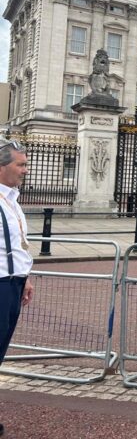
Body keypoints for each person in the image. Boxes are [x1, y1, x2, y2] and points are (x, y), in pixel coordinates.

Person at [0, 139, 35, 439]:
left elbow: (17, 244)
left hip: (13, 284)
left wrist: (25, 277)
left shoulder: (13, 200)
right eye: (20, 165)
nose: (25, 170)